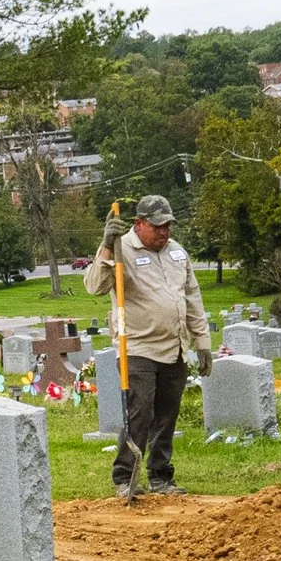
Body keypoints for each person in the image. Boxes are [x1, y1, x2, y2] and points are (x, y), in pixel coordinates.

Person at [84, 195, 211, 501]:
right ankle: (125, 476)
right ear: (138, 224)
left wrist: (202, 342)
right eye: (157, 226)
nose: (164, 232)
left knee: (167, 415)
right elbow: (94, 286)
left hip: (175, 347)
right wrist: (105, 246)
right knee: (139, 412)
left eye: (168, 225)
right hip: (138, 347)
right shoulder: (120, 248)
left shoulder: (178, 253)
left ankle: (160, 475)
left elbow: (192, 298)